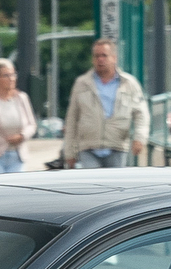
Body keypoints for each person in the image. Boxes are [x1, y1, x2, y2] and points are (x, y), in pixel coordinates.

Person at [60, 38, 149, 170]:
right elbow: (72, 118)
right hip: (88, 148)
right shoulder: (82, 83)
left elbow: (141, 114)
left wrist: (139, 138)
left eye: (104, 56)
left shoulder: (128, 83)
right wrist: (69, 152)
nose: (100, 59)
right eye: (97, 56)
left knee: (116, 187)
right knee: (93, 187)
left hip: (117, 147)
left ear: (114, 58)